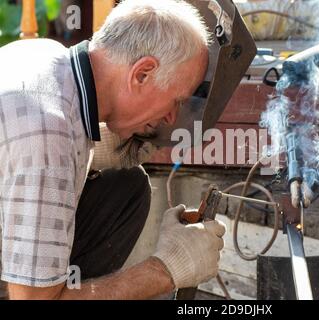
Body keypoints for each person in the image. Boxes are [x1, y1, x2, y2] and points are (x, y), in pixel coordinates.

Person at [0, 0, 225, 300]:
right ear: (142, 73)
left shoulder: (45, 55)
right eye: (176, 101)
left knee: (125, 189)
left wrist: (90, 148)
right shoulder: (48, 133)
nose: (172, 118)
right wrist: (168, 268)